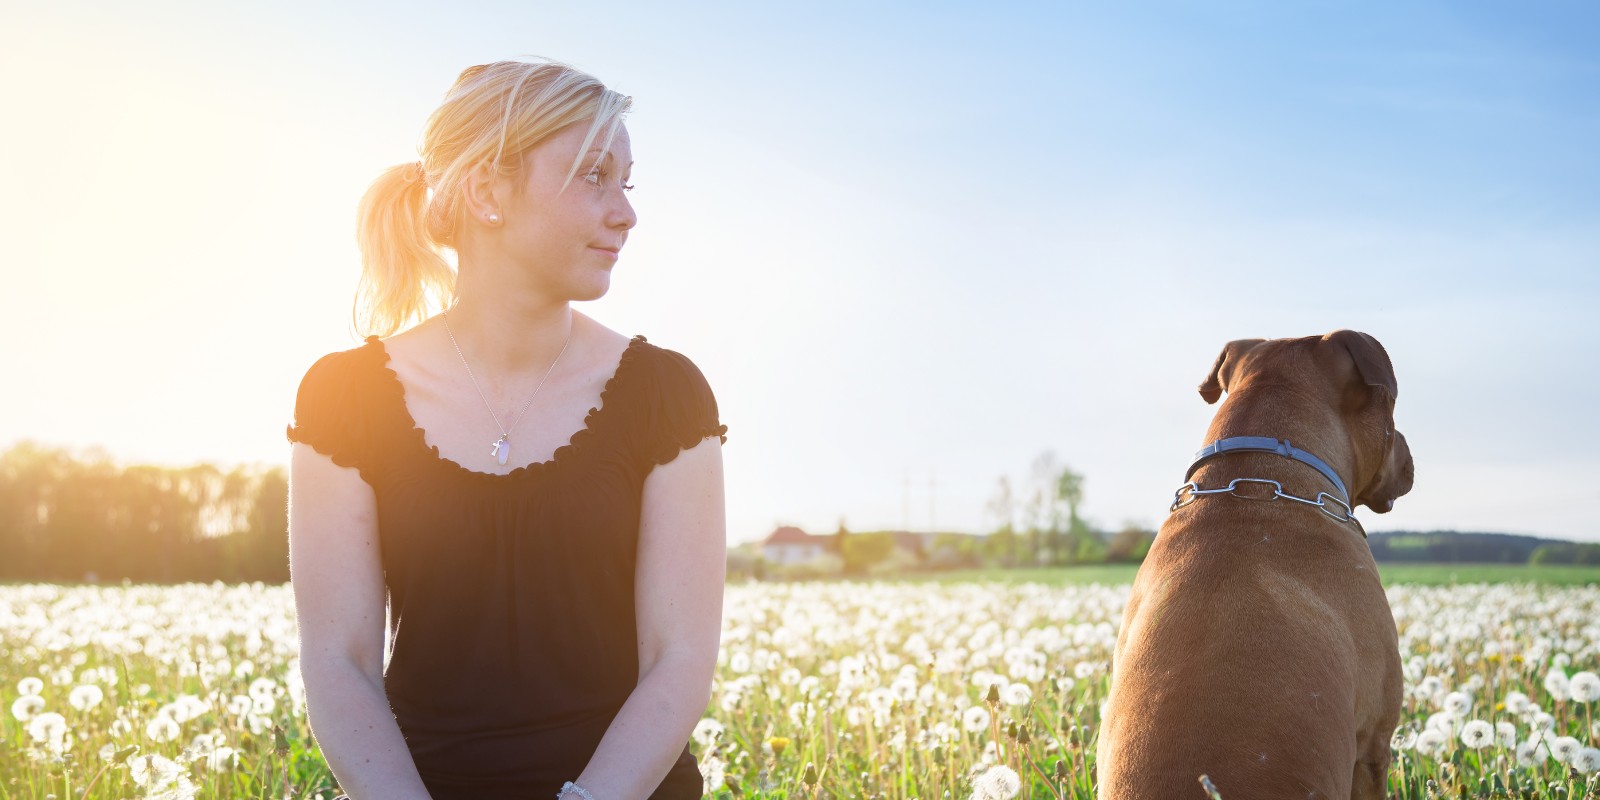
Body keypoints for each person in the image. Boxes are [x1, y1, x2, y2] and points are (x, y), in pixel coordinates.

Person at [285, 59, 727, 800]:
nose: (625, 212)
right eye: (593, 175)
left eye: (627, 181)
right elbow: (341, 660)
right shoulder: (343, 397)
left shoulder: (667, 394)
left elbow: (677, 659)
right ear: (487, 192)